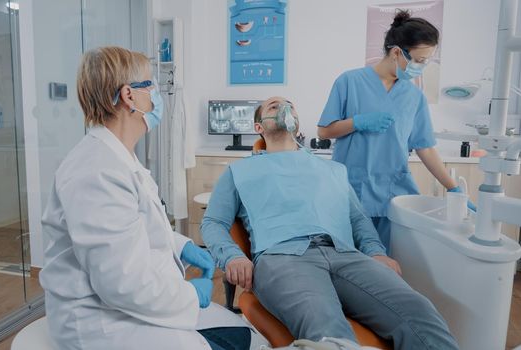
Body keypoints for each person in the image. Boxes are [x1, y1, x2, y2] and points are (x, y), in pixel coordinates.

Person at [39, 46, 262, 350]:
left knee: (241, 335)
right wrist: (188, 295)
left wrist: (182, 246)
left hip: (134, 304)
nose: (156, 95)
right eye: (151, 85)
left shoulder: (118, 157)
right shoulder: (97, 171)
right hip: (104, 322)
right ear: (129, 96)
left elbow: (133, 228)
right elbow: (122, 284)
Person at [201, 96, 459, 350]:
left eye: (290, 105)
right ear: (258, 127)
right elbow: (212, 222)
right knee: (326, 328)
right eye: (274, 106)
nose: (283, 108)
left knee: (420, 313)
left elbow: (358, 219)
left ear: (297, 124)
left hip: (346, 254)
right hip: (283, 258)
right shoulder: (239, 171)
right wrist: (233, 256)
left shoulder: (333, 170)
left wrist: (376, 252)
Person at [317, 10, 473, 251]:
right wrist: (357, 122)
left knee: (391, 263)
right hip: (351, 189)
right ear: (397, 51)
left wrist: (452, 186)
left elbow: (425, 148)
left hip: (393, 192)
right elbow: (324, 131)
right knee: (352, 263)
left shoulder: (414, 97)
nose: (421, 67)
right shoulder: (349, 82)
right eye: (419, 60)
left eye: (426, 61)